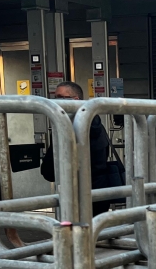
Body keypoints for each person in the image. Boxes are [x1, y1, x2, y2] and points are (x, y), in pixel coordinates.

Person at [39, 80, 116, 215]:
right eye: (55, 97)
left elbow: (50, 166)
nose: (56, 102)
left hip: (76, 191)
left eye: (60, 97)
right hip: (98, 190)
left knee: (75, 231)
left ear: (75, 100)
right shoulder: (94, 121)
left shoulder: (68, 126)